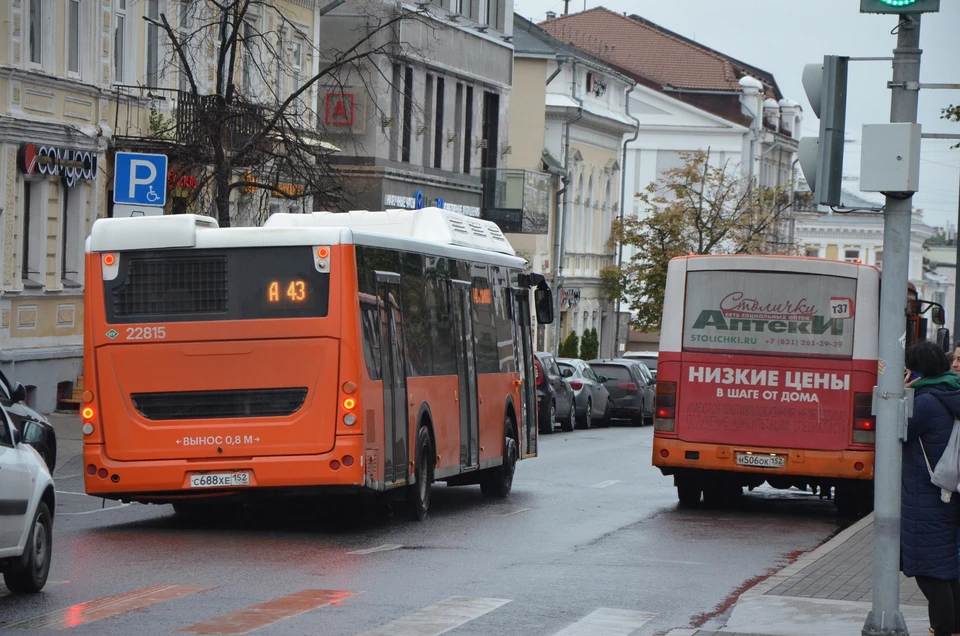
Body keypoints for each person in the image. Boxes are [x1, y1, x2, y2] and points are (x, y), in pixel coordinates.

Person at [902, 340, 960, 636]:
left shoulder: (924, 401)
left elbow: (895, 431)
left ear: (917, 371)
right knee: (946, 567)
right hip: (947, 493)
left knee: (929, 571)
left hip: (925, 496)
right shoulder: (952, 390)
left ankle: (944, 629)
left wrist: (902, 392)